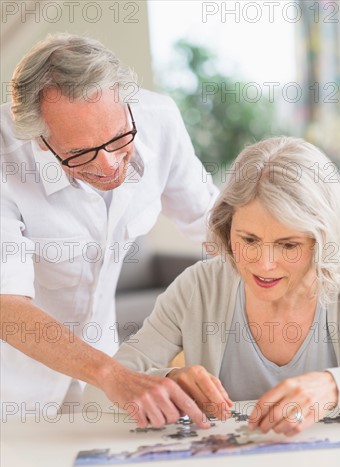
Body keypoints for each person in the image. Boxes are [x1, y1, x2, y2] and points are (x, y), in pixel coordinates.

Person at [0, 33, 221, 428]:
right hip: (12, 387)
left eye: (119, 139)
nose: (107, 166)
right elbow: (7, 306)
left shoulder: (158, 119)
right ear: (38, 137)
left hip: (99, 373)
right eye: (80, 154)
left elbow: (215, 225)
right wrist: (114, 375)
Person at [112, 136, 340, 435]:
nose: (264, 264)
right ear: (226, 227)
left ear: (323, 242)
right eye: (249, 240)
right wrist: (167, 381)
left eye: (288, 245)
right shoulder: (200, 287)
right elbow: (106, 384)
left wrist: (334, 386)